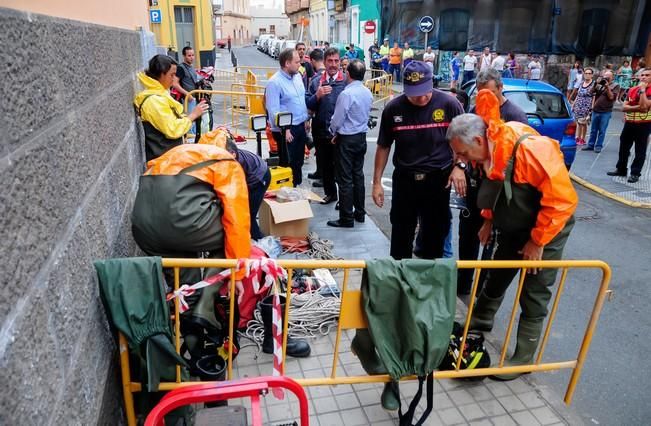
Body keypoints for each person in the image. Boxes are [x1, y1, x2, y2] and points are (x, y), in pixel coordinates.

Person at [447, 90, 578, 381]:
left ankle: (523, 358)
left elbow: (562, 201)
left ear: (479, 141)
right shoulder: (490, 149)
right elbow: (497, 190)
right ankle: (481, 319)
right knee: (497, 272)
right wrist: (487, 221)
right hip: (514, 223)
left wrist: (537, 241)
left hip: (548, 227)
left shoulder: (531, 150)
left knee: (535, 289)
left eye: (463, 153)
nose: (461, 160)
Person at [373, 61, 465, 260]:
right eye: (415, 92)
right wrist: (377, 182)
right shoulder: (393, 108)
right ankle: (401, 279)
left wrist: (460, 166)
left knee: (434, 235)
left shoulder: (449, 104)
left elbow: (465, 140)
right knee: (401, 233)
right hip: (405, 180)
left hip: (437, 179)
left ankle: (427, 282)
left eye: (424, 90)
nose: (421, 97)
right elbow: (383, 146)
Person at [131, 141, 251, 284]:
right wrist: (238, 273)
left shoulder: (180, 153)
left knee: (185, 286)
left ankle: (189, 301)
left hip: (144, 230)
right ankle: (209, 296)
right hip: (182, 223)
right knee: (229, 234)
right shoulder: (226, 161)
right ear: (232, 153)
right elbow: (237, 220)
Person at [454, 69, 528, 298]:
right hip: (475, 187)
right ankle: (463, 285)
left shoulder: (514, 115)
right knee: (467, 236)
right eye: (481, 92)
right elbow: (463, 145)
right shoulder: (476, 112)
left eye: (491, 92)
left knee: (491, 243)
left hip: (499, 191)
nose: (485, 97)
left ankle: (482, 293)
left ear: (500, 88)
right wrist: (460, 165)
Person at [198, 128, 270, 240]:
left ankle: (258, 241)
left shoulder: (235, 165)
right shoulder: (228, 155)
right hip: (253, 170)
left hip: (259, 178)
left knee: (248, 214)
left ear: (232, 154)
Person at [134, 54, 208, 162]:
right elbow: (172, 129)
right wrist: (193, 115)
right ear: (161, 74)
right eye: (172, 75)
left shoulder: (159, 94)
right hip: (165, 163)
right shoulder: (154, 101)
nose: (173, 80)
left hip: (169, 160)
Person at [328, 59, 373, 227]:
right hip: (360, 137)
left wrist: (333, 132)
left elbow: (337, 119)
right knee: (358, 175)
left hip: (347, 139)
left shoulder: (346, 94)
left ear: (348, 74)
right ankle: (359, 213)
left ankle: (346, 217)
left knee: (345, 179)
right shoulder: (367, 92)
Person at [306, 48, 347, 205]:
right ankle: (331, 194)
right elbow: (308, 105)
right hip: (321, 131)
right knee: (326, 166)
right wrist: (317, 95)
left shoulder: (345, 81)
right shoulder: (316, 81)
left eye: (336, 61)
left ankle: (344, 200)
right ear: (324, 62)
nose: (333, 64)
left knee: (342, 168)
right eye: (330, 61)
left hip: (340, 133)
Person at [265, 48, 310, 186]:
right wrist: (285, 129)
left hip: (300, 126)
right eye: (297, 62)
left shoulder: (297, 77)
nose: (300, 65)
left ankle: (297, 188)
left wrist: (306, 119)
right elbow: (273, 110)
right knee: (288, 162)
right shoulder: (274, 83)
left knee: (299, 161)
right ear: (287, 63)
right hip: (286, 131)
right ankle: (288, 190)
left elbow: (301, 100)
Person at [607, 68, 651, 183]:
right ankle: (621, 169)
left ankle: (635, 173)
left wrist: (642, 91)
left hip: (644, 124)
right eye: (642, 75)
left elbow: (645, 106)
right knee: (624, 147)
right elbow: (624, 107)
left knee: (640, 150)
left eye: (647, 75)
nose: (644, 77)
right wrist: (637, 108)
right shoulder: (632, 90)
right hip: (629, 123)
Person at [583, 70, 619, 153]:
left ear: (612, 77)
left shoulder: (615, 86)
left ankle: (599, 146)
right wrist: (595, 84)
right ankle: (591, 145)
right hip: (596, 110)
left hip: (606, 111)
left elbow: (611, 97)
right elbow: (590, 93)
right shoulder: (599, 84)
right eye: (604, 76)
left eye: (608, 77)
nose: (605, 78)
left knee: (602, 130)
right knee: (593, 129)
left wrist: (607, 87)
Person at [173, 46, 204, 136]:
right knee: (189, 121)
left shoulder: (190, 67)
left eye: (193, 55)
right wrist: (187, 94)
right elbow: (175, 83)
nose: (191, 57)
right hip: (187, 99)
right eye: (189, 55)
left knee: (194, 121)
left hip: (194, 98)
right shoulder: (181, 68)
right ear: (184, 56)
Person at [306, 48, 326, 182]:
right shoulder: (334, 76)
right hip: (329, 120)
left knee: (322, 150)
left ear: (312, 61)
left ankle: (323, 176)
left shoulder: (315, 80)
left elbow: (310, 104)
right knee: (322, 150)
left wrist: (307, 118)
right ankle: (320, 172)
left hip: (319, 119)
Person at [571, 67, 595, 146]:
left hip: (586, 106)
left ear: (592, 75)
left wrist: (591, 108)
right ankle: (577, 137)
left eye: (589, 73)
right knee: (578, 122)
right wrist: (573, 104)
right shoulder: (581, 83)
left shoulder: (593, 84)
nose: (587, 75)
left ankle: (583, 138)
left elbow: (594, 97)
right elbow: (578, 95)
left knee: (583, 123)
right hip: (578, 105)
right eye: (586, 73)